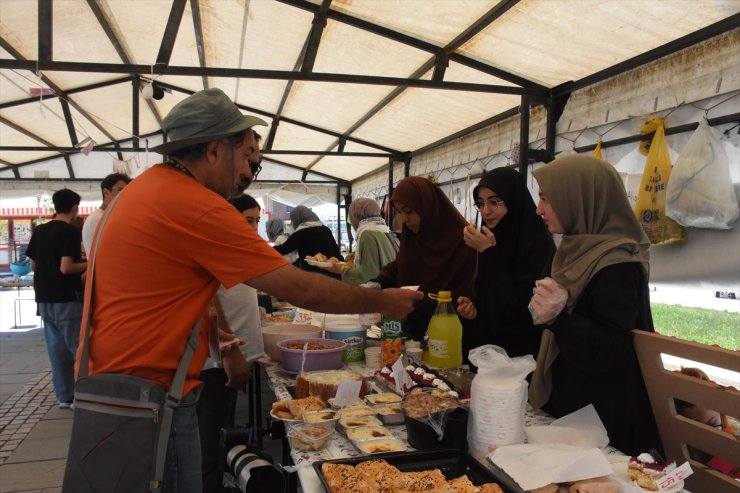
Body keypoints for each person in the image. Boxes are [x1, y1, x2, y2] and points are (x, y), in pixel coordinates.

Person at [74, 88, 421, 493]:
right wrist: (384, 300)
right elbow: (298, 288)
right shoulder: (194, 204)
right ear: (216, 151)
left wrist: (215, 337)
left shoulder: (145, 189)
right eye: (248, 160)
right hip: (148, 395)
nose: (248, 174)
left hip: (113, 382)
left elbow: (155, 293)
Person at [527, 154, 660, 456]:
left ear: (579, 198)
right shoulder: (574, 248)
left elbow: (613, 350)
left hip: (603, 419)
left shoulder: (618, 265)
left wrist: (560, 319)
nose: (539, 209)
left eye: (547, 199)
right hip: (574, 409)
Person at [197, 194, 264, 493]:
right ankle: (207, 483)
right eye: (247, 220)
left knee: (223, 422)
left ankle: (221, 475)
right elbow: (210, 303)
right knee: (209, 428)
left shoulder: (238, 249)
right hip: (217, 359)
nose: (253, 227)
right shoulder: (215, 249)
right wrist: (228, 349)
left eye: (257, 221)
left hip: (235, 352)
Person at [456, 167, 556, 358]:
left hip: (522, 356)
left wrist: (489, 253)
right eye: (481, 203)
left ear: (514, 201)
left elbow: (520, 307)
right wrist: (474, 310)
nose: (486, 211)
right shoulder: (494, 239)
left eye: (494, 202)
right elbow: (493, 296)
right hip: (489, 352)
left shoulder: (536, 245)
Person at [375, 176, 478, 340]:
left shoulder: (464, 240)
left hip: (446, 334)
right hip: (409, 331)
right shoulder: (413, 235)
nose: (404, 219)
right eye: (400, 212)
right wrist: (378, 282)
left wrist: (422, 305)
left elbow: (464, 293)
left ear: (428, 206)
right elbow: (400, 266)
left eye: (408, 211)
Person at [26, 189, 87, 408]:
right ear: (74, 208)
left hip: (43, 298)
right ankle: (82, 395)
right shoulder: (70, 232)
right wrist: (92, 263)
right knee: (77, 350)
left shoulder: (40, 230)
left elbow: (33, 264)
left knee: (57, 351)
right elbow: (66, 267)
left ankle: (64, 396)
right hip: (66, 298)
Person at [320, 198, 399, 285]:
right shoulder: (384, 230)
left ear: (355, 216)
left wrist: (341, 270)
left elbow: (368, 276)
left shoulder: (366, 234)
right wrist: (358, 255)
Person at [273, 205, 344, 277]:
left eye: (292, 220)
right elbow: (336, 251)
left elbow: (283, 249)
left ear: (298, 219)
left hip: (316, 276)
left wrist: (264, 249)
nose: (292, 223)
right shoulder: (325, 229)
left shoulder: (301, 233)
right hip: (334, 273)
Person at [81, 173, 132, 257]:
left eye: (127, 191)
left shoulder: (107, 216)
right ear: (106, 192)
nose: (124, 195)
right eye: (120, 191)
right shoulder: (98, 218)